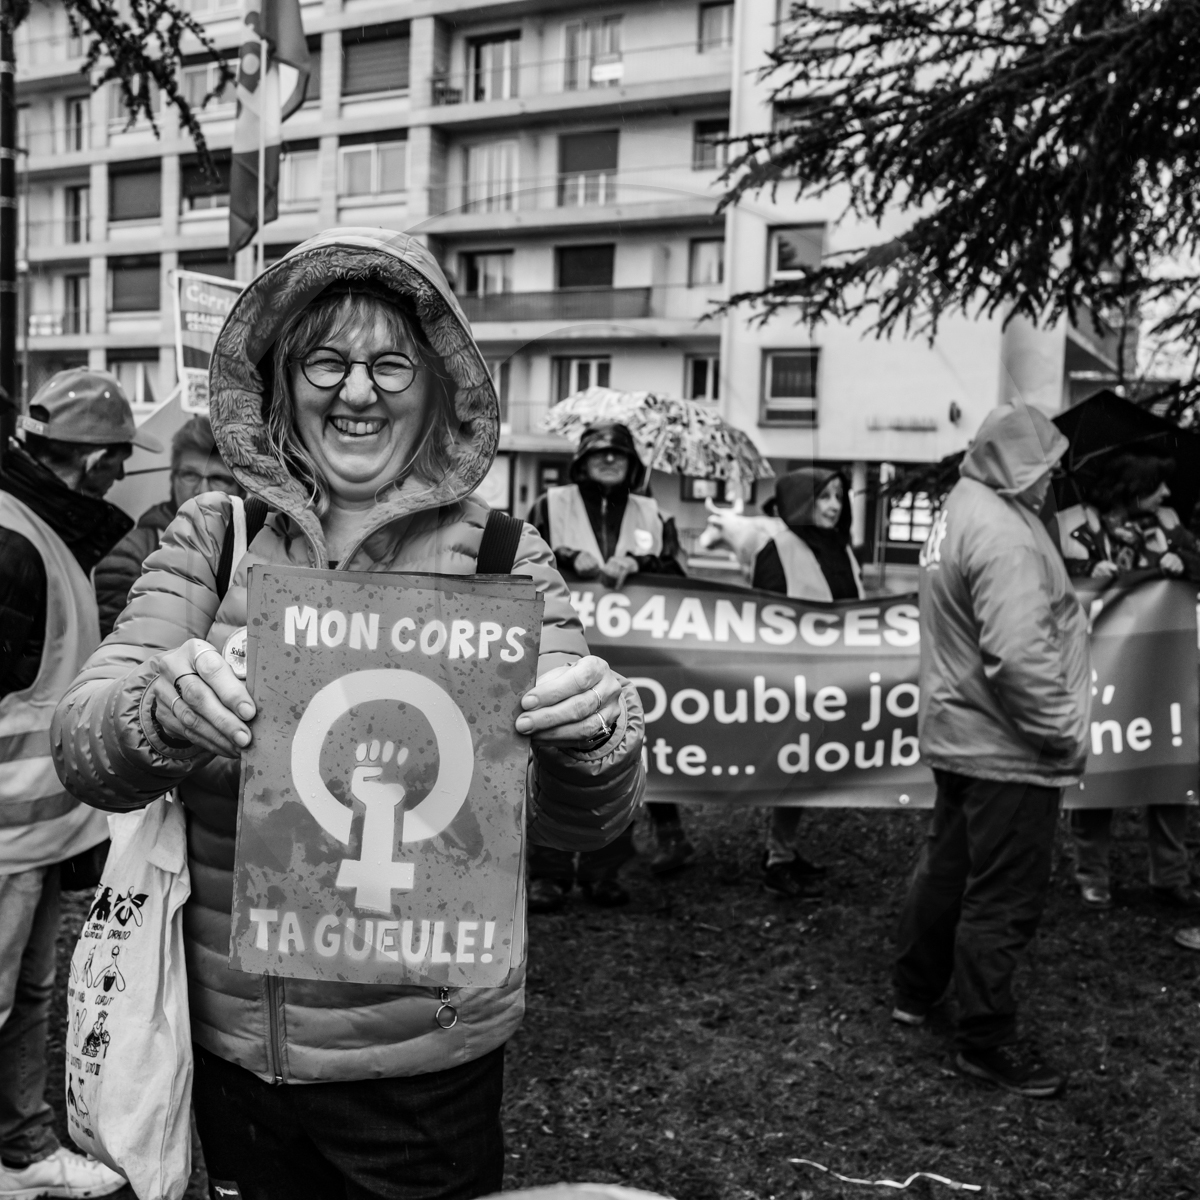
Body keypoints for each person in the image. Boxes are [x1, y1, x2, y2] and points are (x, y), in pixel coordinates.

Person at [51, 229, 645, 1200]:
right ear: (282, 384)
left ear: (439, 385)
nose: (356, 390)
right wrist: (159, 713)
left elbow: (585, 826)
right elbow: (84, 745)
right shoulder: (215, 537)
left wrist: (599, 742)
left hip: (427, 1070)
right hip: (234, 1056)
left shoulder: (507, 557)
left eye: (389, 363)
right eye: (325, 361)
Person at [892, 403, 1090, 1100]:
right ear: (1016, 466)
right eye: (1043, 466)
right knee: (1003, 896)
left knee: (947, 867)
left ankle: (913, 991)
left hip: (960, 730)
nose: (1051, 479)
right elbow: (1019, 658)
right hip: (1009, 746)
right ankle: (986, 1039)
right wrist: (1063, 734)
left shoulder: (965, 507)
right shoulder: (1006, 534)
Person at [0, 369, 157, 1198]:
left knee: (28, 999)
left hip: (32, 832)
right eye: (115, 463)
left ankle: (20, 1154)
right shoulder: (15, 541)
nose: (118, 479)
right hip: (5, 835)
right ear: (94, 460)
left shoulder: (39, 532)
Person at [528, 422, 692, 908]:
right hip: (556, 656)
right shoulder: (549, 505)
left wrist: (640, 567)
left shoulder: (652, 513)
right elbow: (517, 561)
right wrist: (565, 558)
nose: (608, 459)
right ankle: (549, 873)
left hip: (631, 660)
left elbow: (679, 576)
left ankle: (605, 869)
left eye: (617, 452)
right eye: (598, 451)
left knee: (619, 755)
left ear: (632, 462)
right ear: (581, 459)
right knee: (552, 756)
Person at [709, 466, 863, 899]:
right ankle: (778, 860)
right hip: (795, 683)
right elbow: (766, 616)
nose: (835, 506)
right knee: (794, 767)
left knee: (811, 766)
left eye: (838, 497)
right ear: (801, 502)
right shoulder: (777, 548)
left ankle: (785, 850)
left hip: (834, 681)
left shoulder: (843, 549)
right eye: (825, 497)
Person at [1057, 453, 1200, 911]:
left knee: (1168, 768)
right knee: (1099, 769)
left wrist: (1184, 559)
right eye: (1157, 486)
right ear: (1132, 489)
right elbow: (1047, 582)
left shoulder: (1168, 524)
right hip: (1101, 672)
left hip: (1162, 672)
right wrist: (1084, 575)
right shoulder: (1077, 528)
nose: (1166, 495)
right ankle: (1091, 874)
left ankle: (1170, 876)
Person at [94, 414, 243, 637]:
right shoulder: (132, 552)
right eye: (189, 475)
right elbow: (116, 642)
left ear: (242, 488)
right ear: (172, 479)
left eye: (218, 478)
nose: (202, 489)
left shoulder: (259, 548)